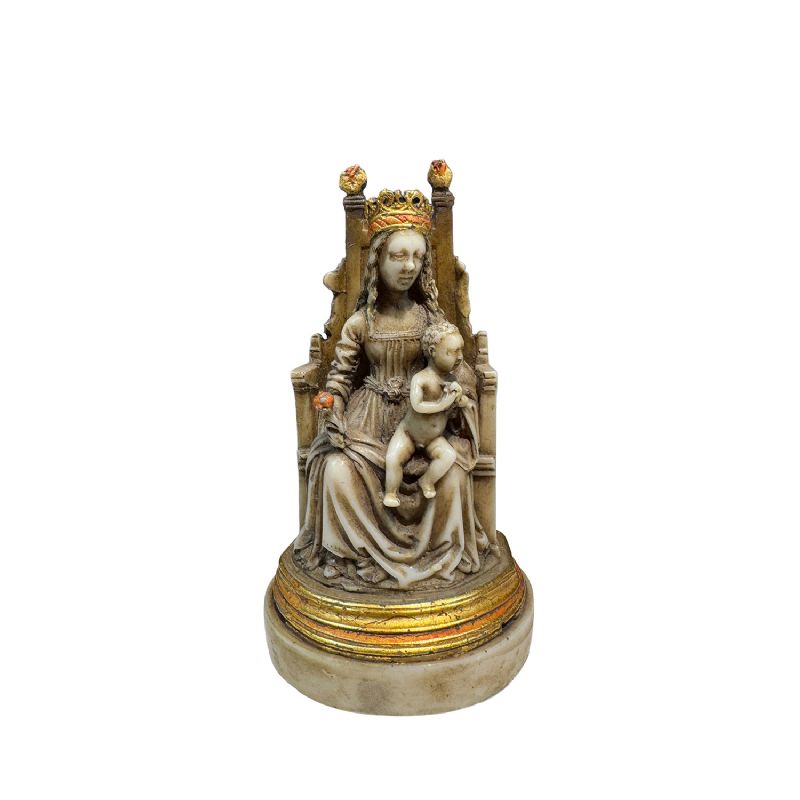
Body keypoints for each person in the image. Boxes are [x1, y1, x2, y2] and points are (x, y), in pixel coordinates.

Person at [293, 191, 489, 589]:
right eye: (398, 256)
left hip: (421, 425)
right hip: (367, 424)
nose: (409, 266)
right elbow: (340, 377)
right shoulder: (361, 323)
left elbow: (457, 365)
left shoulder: (430, 318)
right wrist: (332, 410)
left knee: (452, 473)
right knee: (335, 470)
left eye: (417, 257)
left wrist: (460, 390)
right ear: (377, 260)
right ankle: (353, 558)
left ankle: (439, 556)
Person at [383, 321, 468, 507]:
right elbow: (417, 405)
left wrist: (459, 400)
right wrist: (441, 404)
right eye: (453, 352)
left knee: (448, 456)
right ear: (433, 351)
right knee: (393, 458)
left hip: (433, 438)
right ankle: (391, 492)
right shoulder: (421, 378)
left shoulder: (451, 380)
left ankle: (427, 481)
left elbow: (456, 406)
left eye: (461, 350)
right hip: (409, 434)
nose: (460, 357)